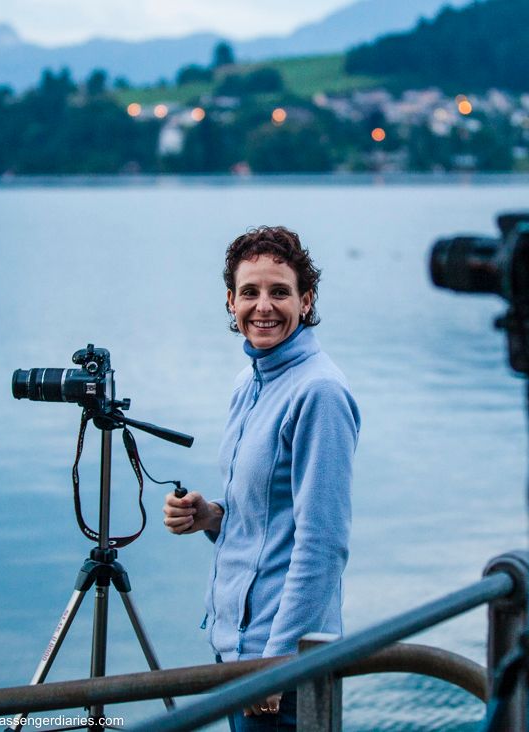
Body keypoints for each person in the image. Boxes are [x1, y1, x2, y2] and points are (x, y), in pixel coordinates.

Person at [163, 226, 361, 731]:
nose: (263, 306)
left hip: (282, 666)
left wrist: (276, 667)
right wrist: (210, 517)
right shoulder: (249, 382)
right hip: (237, 650)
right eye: (249, 292)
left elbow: (323, 546)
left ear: (306, 299)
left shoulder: (319, 393)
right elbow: (265, 518)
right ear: (231, 301)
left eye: (279, 291)